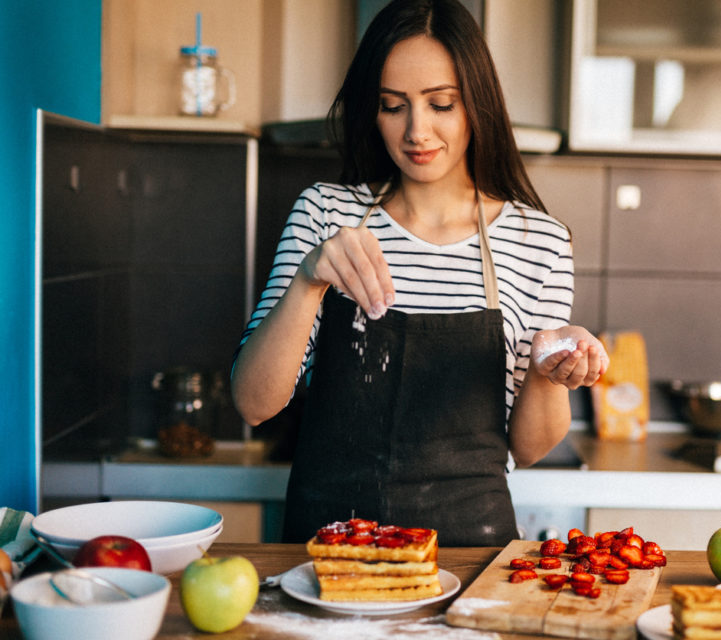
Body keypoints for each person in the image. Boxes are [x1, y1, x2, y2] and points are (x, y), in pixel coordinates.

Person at [231, 0, 608, 546]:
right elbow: (253, 403)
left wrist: (552, 372)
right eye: (392, 106)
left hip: (468, 552)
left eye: (441, 104)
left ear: (476, 104)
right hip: (330, 554)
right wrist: (310, 278)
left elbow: (527, 448)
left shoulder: (539, 241)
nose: (416, 130)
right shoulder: (324, 214)